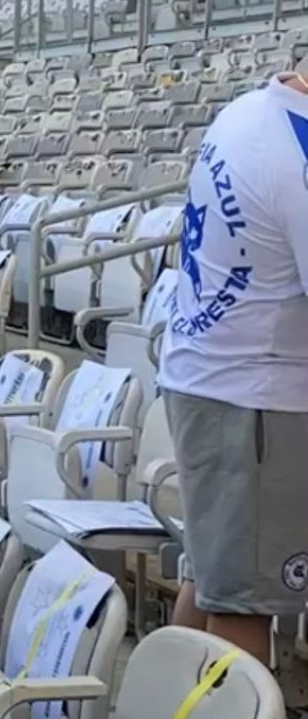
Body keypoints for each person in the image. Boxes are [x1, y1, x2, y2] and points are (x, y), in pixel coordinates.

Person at [159, 66, 308, 670]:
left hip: (212, 383)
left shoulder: (248, 112)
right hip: (257, 403)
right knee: (243, 607)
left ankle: (165, 700)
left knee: (215, 580)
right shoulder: (297, 154)